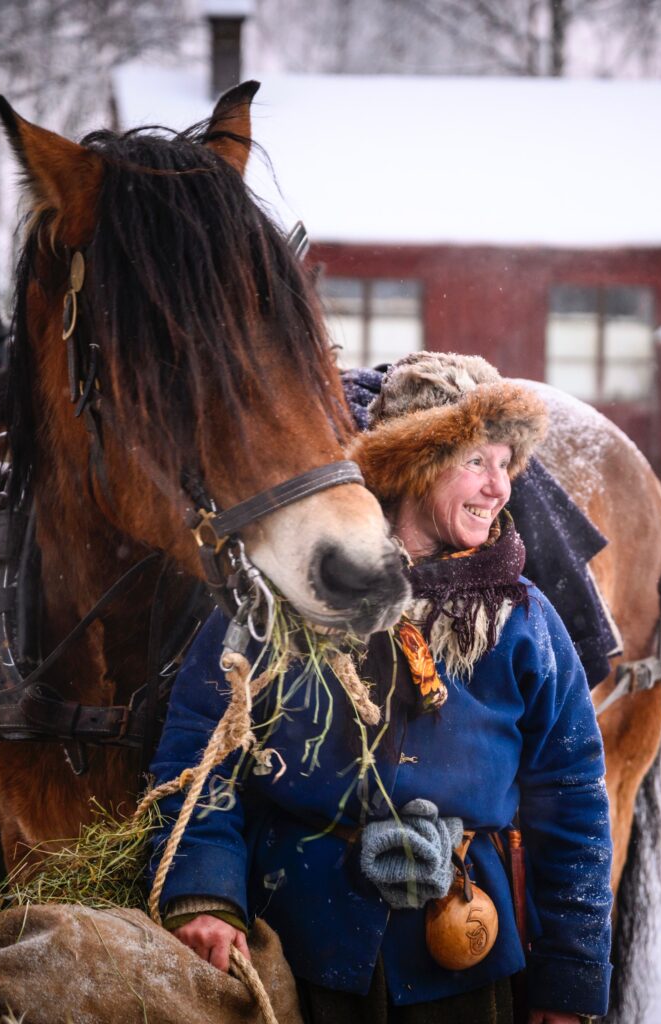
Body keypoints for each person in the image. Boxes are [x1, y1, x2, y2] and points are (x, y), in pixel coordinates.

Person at [148, 352, 613, 1023]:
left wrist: (570, 981)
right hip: (297, 954)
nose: (500, 488)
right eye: (477, 462)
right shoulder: (285, 598)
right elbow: (200, 751)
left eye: (507, 464)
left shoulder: (526, 621)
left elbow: (573, 803)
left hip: (465, 962)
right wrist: (206, 893)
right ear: (412, 466)